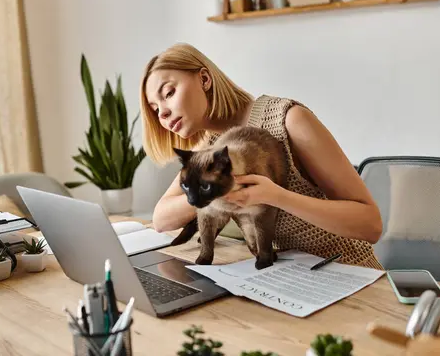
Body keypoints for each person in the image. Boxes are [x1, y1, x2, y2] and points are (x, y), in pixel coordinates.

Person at [139, 43, 383, 269]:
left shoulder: (287, 119)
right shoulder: (211, 147)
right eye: (155, 109)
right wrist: (214, 191)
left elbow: (371, 225)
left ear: (204, 79)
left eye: (169, 93)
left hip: (350, 276)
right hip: (284, 278)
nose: (163, 113)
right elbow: (161, 219)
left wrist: (276, 196)